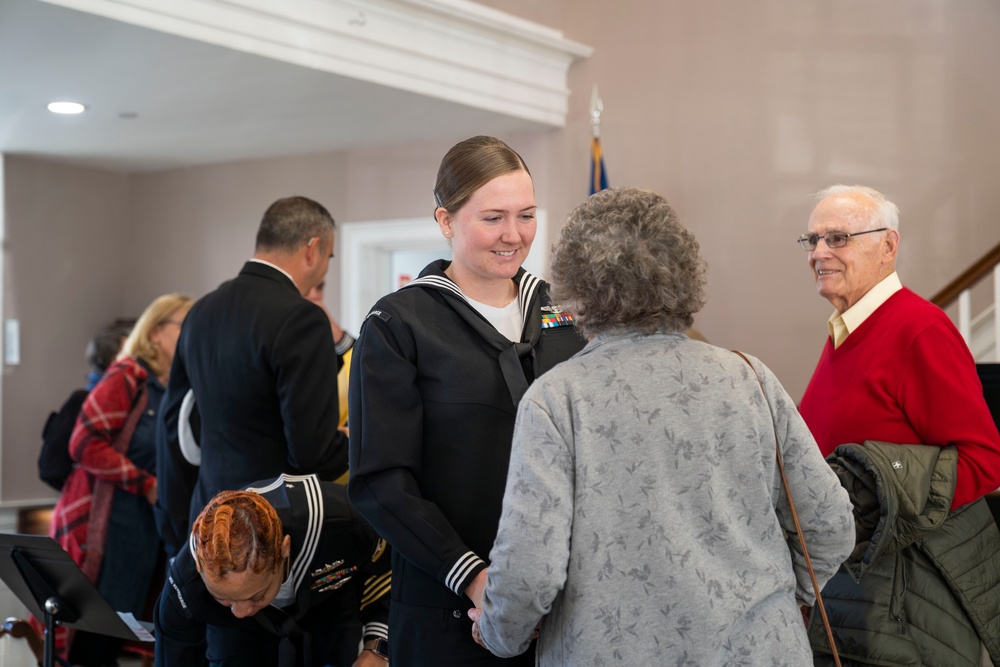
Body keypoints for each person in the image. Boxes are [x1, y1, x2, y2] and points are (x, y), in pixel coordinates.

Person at [467, 187, 856, 665]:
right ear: (682, 270)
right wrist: (770, 597)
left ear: (573, 285)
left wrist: (498, 631)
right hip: (761, 650)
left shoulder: (556, 399)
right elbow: (831, 524)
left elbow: (530, 571)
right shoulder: (749, 376)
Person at [347, 135, 586, 665]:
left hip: (563, 606)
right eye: (493, 218)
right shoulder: (399, 324)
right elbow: (380, 484)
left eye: (526, 215)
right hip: (449, 609)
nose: (513, 235)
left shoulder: (565, 315)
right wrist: (476, 578)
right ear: (446, 220)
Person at [797, 185, 1000, 666]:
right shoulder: (846, 329)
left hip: (906, 602)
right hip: (857, 588)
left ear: (888, 246)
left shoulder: (918, 330)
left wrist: (883, 497)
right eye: (812, 240)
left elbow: (984, 461)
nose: (820, 252)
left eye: (838, 237)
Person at [156, 196, 351, 558]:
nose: (325, 269)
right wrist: (358, 440)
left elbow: (175, 426)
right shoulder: (302, 319)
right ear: (313, 249)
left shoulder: (201, 311)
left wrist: (176, 522)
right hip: (271, 525)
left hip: (207, 517)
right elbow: (314, 453)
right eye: (329, 257)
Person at [50, 293, 193, 666]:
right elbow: (83, 443)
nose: (191, 333)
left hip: (148, 530)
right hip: (108, 524)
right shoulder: (128, 374)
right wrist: (144, 483)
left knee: (120, 633)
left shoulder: (178, 386)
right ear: (157, 331)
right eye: (184, 324)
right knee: (91, 636)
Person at [154, 473, 390, 667]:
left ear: (284, 550)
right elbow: (174, 655)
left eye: (257, 595)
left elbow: (393, 572)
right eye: (223, 598)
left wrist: (378, 647)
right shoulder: (185, 584)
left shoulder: (345, 524)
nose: (241, 611)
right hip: (237, 637)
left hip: (330, 613)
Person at [39, 323, 132, 491]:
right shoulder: (83, 401)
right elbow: (52, 467)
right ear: (108, 360)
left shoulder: (141, 399)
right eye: (127, 355)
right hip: (91, 497)